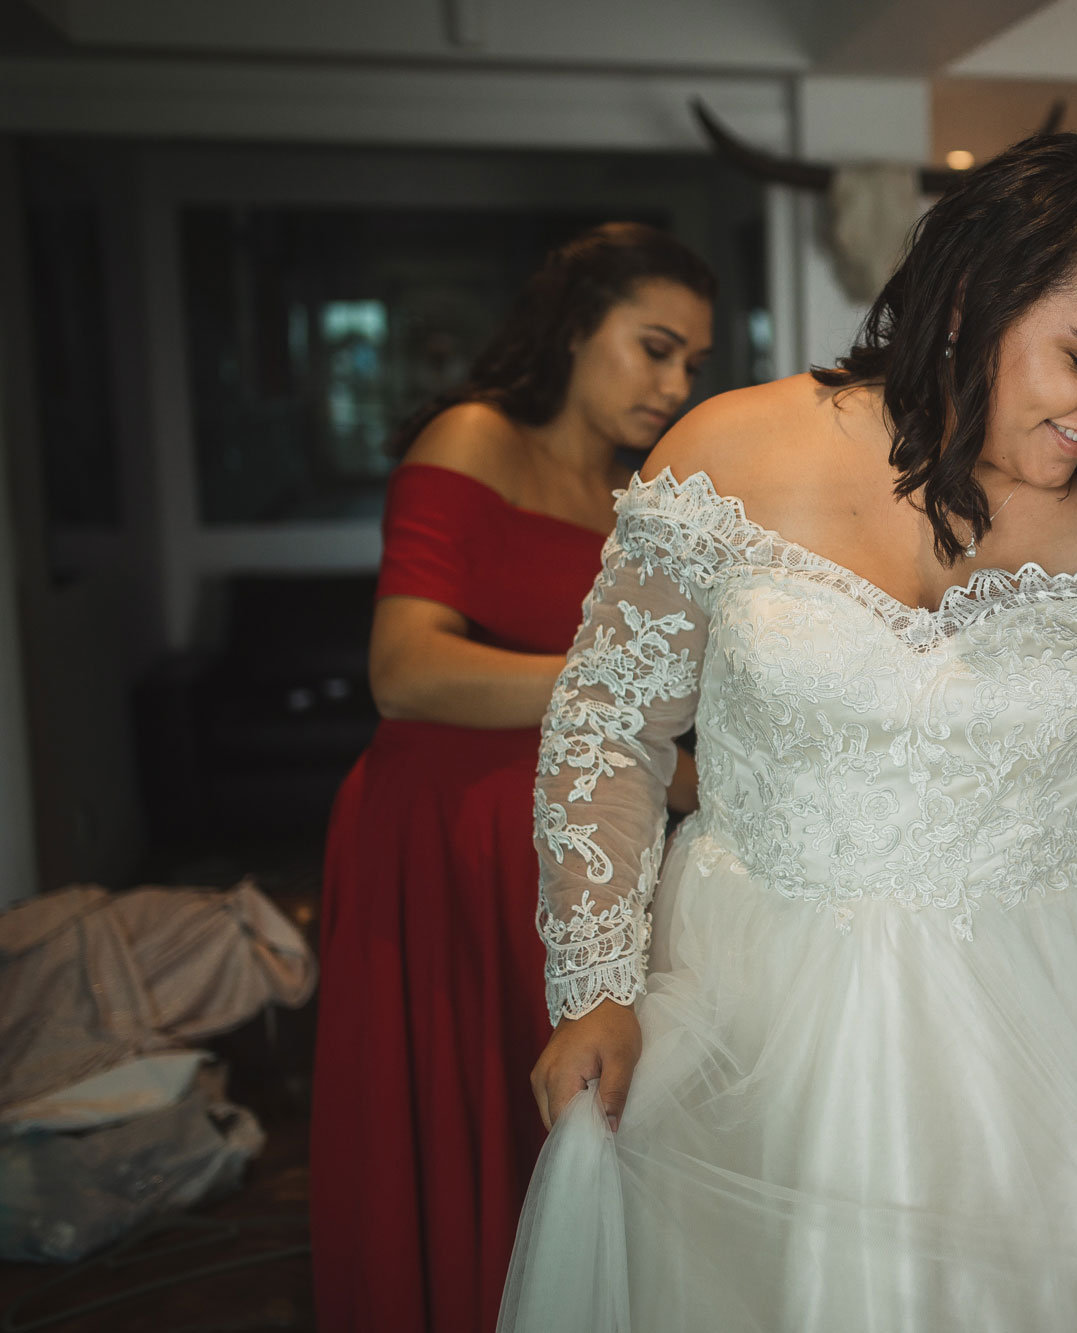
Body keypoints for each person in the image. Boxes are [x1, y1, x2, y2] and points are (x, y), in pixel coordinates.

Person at [498, 134, 1077, 1331]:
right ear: (970, 301)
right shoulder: (726, 456)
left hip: (1052, 1041)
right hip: (748, 1010)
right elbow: (607, 727)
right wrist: (597, 987)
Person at [310, 222, 716, 1333]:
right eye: (654, 347)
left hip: (569, 842)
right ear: (577, 328)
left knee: (567, 1112)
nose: (674, 382)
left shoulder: (645, 493)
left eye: (692, 363)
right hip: (440, 834)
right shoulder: (472, 438)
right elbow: (403, 667)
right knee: (456, 1104)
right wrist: (607, 691)